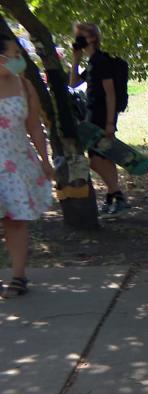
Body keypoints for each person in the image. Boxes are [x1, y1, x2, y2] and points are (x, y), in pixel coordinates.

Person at [0, 36, 53, 298]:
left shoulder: (24, 84)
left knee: (15, 220)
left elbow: (34, 126)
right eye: (13, 54)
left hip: (16, 163)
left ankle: (18, 277)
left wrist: (45, 160)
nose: (19, 60)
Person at [69, 23, 129, 216]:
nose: (78, 39)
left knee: (96, 161)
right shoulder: (93, 62)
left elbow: (110, 94)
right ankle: (114, 198)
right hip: (92, 115)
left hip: (101, 117)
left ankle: (117, 196)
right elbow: (73, 83)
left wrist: (110, 123)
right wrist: (75, 60)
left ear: (93, 38)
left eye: (81, 35)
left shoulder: (102, 61)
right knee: (103, 157)